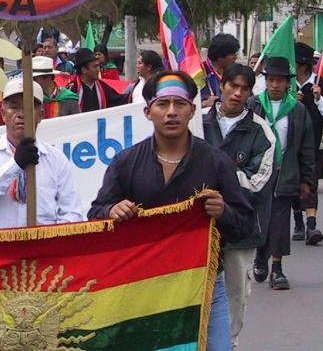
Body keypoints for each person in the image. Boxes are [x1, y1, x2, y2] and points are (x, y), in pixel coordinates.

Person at [88, 71, 254, 351]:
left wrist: (223, 212)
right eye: (163, 105)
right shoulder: (126, 163)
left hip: (205, 290)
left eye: (180, 104)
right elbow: (95, 215)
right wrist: (111, 210)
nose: (171, 112)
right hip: (142, 292)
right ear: (148, 111)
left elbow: (246, 226)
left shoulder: (216, 163)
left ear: (192, 110)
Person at [202, 64, 275, 349]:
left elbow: (258, 181)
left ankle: (229, 342)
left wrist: (222, 181)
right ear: (222, 85)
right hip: (198, 226)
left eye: (244, 89)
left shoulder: (261, 132)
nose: (237, 93)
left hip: (239, 227)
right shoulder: (198, 123)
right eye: (233, 86)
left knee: (235, 293)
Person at [0, 79, 84, 229]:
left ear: (41, 115)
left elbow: (72, 213)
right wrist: (15, 165)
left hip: (41, 247)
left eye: (28, 107)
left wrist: (50, 242)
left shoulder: (56, 159)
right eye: (14, 107)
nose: (21, 114)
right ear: (3, 114)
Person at [247, 56, 314, 291]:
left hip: (284, 171)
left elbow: (306, 148)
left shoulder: (297, 110)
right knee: (260, 219)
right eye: (271, 80)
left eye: (280, 81)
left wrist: (307, 179)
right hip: (257, 173)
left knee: (279, 220)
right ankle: (259, 255)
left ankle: (277, 268)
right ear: (265, 82)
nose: (275, 85)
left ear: (288, 84)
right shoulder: (253, 105)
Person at [291, 43, 323, 245]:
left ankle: (311, 224)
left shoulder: (322, 85)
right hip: (290, 145)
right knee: (293, 183)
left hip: (313, 145)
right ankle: (298, 222)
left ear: (304, 65)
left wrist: (319, 98)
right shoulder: (287, 86)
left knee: (310, 183)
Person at [68, 48, 126, 112]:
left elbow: (120, 101)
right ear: (84, 70)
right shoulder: (72, 90)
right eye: (95, 66)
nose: (98, 69)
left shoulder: (103, 88)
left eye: (99, 66)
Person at [202, 33, 241, 107]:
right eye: (232, 54)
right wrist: (204, 104)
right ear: (220, 56)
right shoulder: (201, 72)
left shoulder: (237, 72)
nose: (235, 57)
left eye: (235, 54)